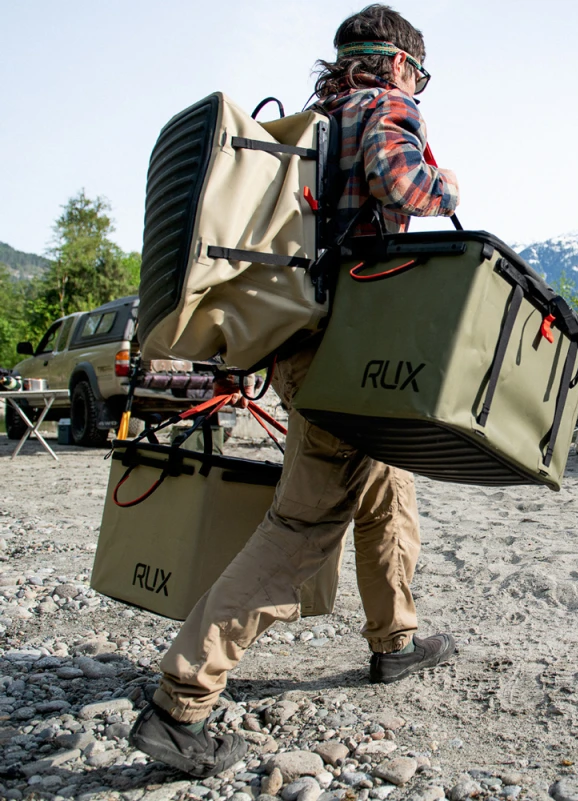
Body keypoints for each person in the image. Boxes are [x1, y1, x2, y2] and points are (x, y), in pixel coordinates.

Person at [129, 5, 460, 778]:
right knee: (304, 526)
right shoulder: (386, 107)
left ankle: (395, 641)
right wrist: (444, 184)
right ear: (400, 64)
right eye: (418, 73)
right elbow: (402, 180)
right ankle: (181, 701)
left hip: (308, 348)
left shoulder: (320, 121)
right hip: (355, 349)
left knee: (386, 488)